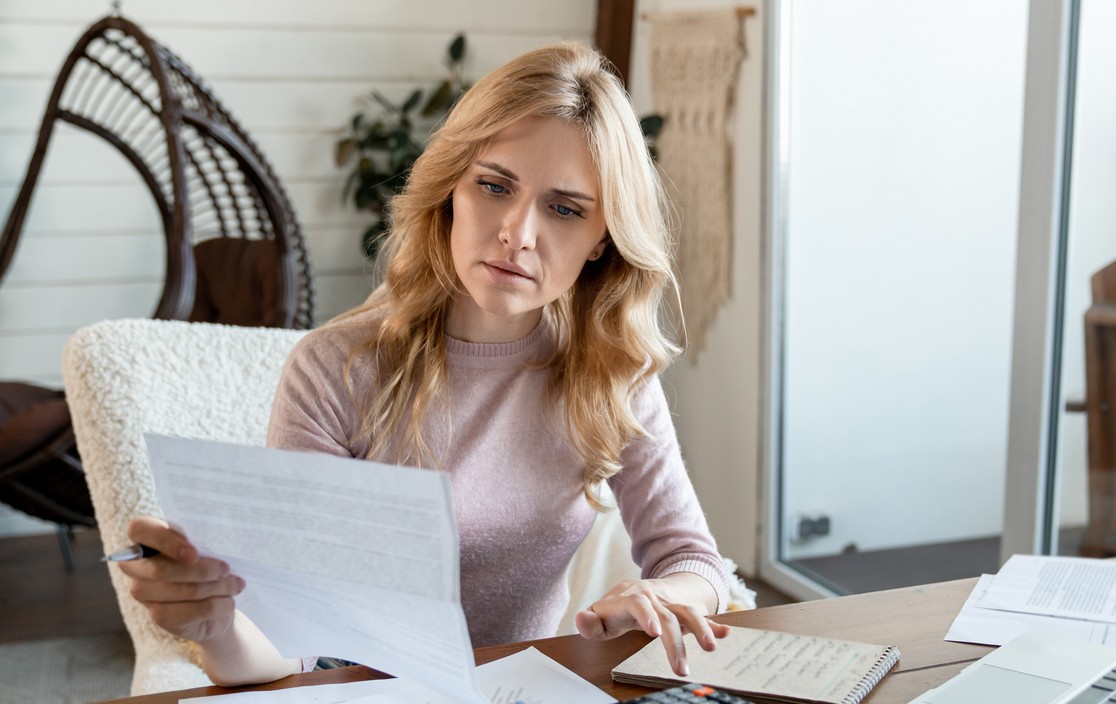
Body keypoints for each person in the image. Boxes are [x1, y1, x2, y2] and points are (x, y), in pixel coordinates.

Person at [119, 42, 731, 688]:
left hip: (527, 689)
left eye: (564, 208)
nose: (517, 234)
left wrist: (669, 597)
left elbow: (692, 559)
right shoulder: (333, 370)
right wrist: (215, 626)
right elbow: (290, 646)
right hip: (360, 692)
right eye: (494, 186)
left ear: (601, 236)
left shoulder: (613, 369)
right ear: (451, 192)